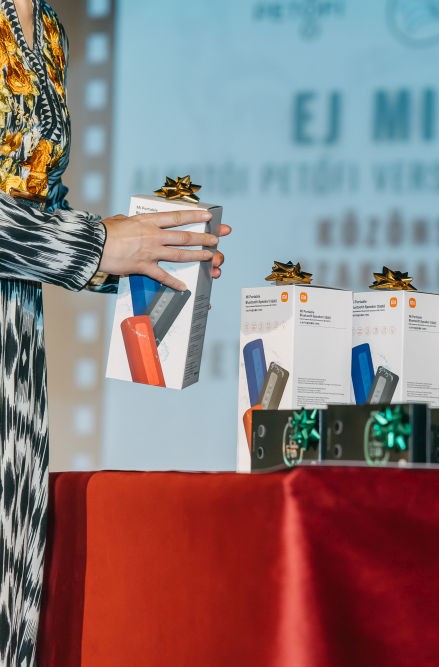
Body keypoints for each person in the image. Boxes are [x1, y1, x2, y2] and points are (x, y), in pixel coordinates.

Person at [0, 0, 230, 662]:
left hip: (16, 373)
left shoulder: (45, 27)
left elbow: (35, 214)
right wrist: (99, 243)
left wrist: (150, 256)